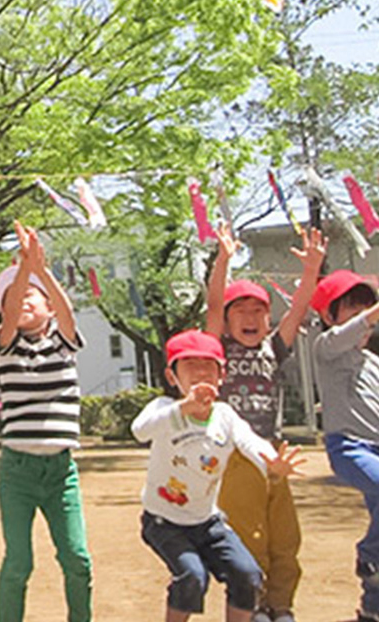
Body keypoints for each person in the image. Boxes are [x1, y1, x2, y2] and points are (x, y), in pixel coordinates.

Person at [133, 330, 302, 622]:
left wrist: (272, 463)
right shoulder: (164, 409)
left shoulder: (225, 415)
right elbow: (140, 430)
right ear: (172, 377)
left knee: (248, 575)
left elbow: (251, 442)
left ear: (221, 375)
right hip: (164, 521)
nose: (200, 372)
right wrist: (184, 407)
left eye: (209, 365)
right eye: (189, 365)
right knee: (193, 577)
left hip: (208, 521)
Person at [204, 224, 325, 622]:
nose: (250, 317)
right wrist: (223, 259)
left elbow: (299, 309)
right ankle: (251, 605)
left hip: (275, 456)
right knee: (248, 537)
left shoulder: (274, 347)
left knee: (286, 539)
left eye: (258, 310)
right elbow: (214, 301)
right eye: (240, 311)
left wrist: (311, 272)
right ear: (227, 319)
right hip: (236, 458)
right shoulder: (218, 350)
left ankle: (280, 605)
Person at [0, 222, 92, 622]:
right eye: (16, 299)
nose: (25, 301)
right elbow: (12, 311)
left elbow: (67, 315)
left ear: (49, 305)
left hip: (61, 471)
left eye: (36, 296)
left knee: (77, 559)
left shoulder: (63, 344)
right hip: (17, 471)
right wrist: (22, 274)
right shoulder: (7, 346)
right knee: (19, 563)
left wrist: (40, 270)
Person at [309, 269, 379, 622]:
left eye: (367, 316)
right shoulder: (325, 350)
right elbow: (342, 336)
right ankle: (369, 554)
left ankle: (372, 603)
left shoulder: (375, 363)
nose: (365, 326)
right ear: (329, 317)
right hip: (350, 448)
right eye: (355, 316)